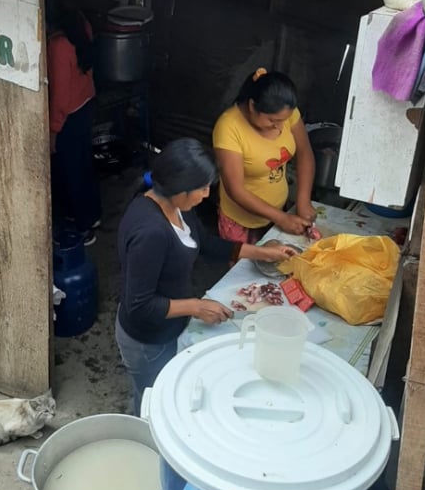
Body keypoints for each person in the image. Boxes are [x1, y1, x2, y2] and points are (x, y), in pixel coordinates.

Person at [115, 138, 297, 414]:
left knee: (169, 391)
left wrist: (263, 253)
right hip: (148, 340)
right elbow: (139, 306)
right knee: (154, 401)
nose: (206, 194)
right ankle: (143, 432)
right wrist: (196, 307)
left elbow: (207, 244)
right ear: (180, 188)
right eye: (202, 188)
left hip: (169, 326)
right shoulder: (151, 233)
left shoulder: (177, 207)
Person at [212, 68, 317, 243]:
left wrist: (303, 201)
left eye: (284, 120)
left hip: (277, 216)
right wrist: (281, 218)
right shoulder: (228, 128)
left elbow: (305, 153)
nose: (280, 126)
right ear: (252, 106)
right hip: (241, 222)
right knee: (247, 260)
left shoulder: (285, 112)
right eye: (273, 121)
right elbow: (235, 190)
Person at [47, 6, 101, 246]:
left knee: (70, 172)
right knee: (83, 165)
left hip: (69, 115)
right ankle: (92, 215)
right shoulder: (82, 26)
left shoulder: (58, 46)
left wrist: (53, 130)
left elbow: (60, 96)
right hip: (85, 104)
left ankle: (83, 229)